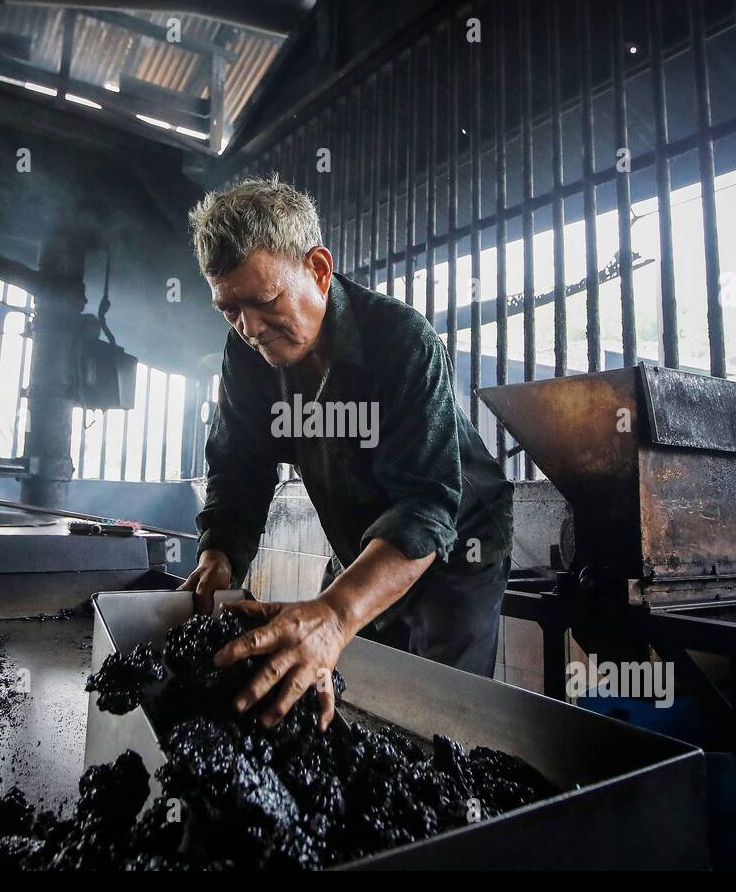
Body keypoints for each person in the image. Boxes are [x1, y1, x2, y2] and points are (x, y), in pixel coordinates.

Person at [180, 177, 513, 730]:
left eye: (263, 302)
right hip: (363, 539)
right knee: (336, 695)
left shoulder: (403, 343)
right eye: (229, 309)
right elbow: (240, 469)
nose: (249, 329)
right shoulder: (246, 358)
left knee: (431, 719)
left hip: (459, 548)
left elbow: (426, 505)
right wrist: (219, 553)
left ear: (318, 267)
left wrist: (335, 614)